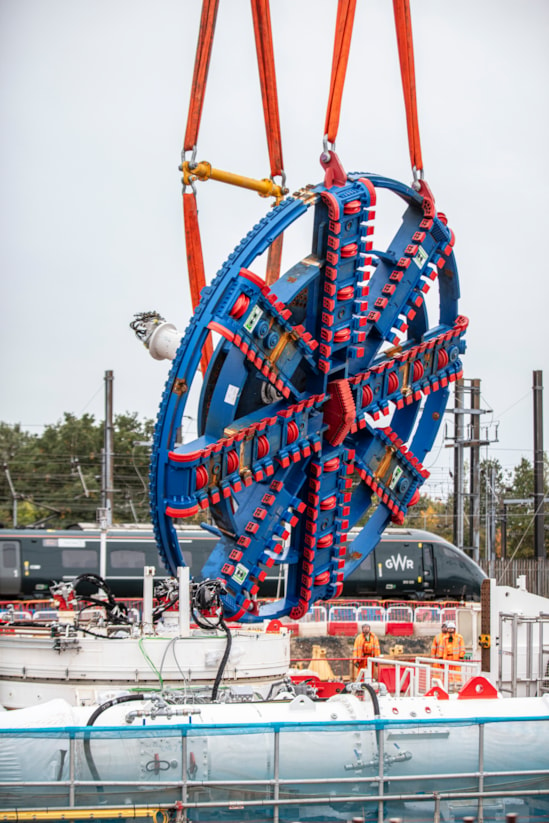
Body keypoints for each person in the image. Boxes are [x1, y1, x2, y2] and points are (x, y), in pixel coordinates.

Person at [439, 620, 465, 684]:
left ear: (454, 629)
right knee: (448, 672)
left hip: (456, 658)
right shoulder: (444, 638)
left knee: (457, 672)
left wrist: (461, 656)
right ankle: (449, 684)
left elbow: (462, 648)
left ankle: (458, 684)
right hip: (447, 658)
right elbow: (441, 648)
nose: (450, 630)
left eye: (452, 629)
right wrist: (440, 657)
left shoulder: (459, 637)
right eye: (449, 629)